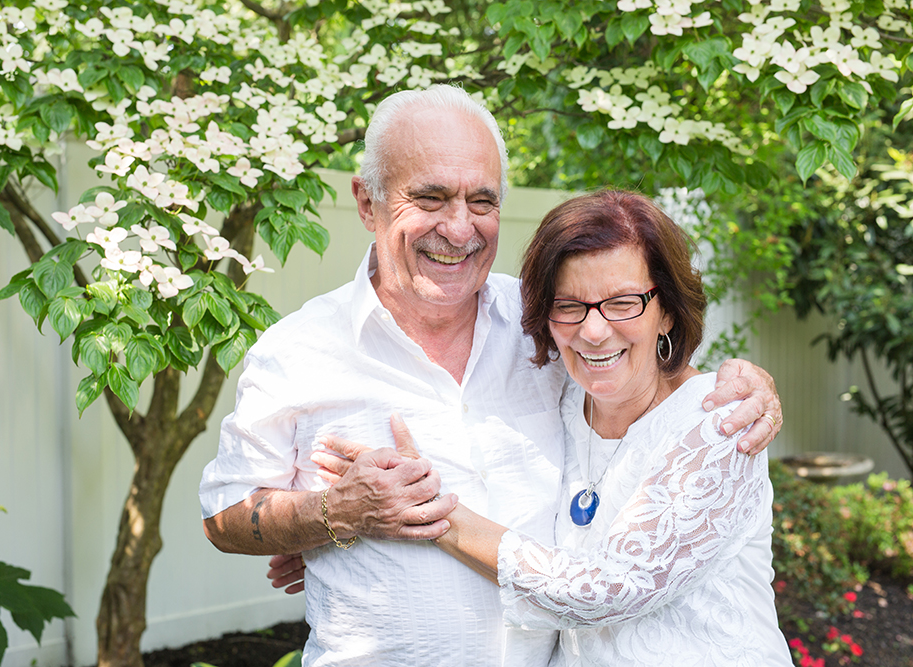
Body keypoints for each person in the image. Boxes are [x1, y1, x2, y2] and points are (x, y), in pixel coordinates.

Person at [199, 85, 783, 667]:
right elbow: (226, 516)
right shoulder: (299, 350)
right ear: (367, 201)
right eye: (429, 197)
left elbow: (642, 383)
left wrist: (740, 383)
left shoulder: (541, 327)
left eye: (482, 201)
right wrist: (334, 516)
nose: (459, 229)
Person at [319, 190, 793, 666]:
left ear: (666, 308)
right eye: (569, 305)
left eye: (623, 303)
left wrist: (431, 512)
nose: (593, 330)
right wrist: (336, 544)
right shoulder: (563, 399)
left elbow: (607, 590)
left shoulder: (723, 424)